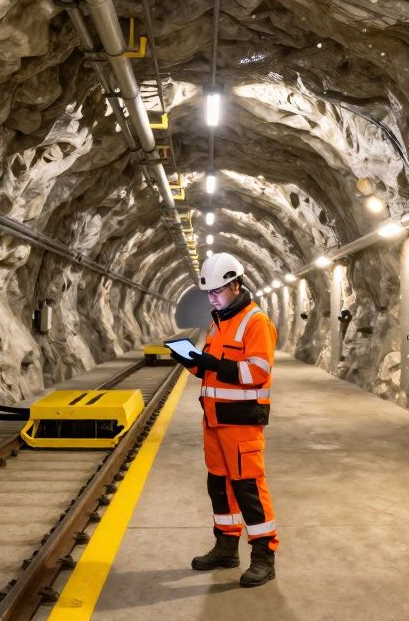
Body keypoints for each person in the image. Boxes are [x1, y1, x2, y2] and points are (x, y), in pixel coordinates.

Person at [170, 252, 279, 588]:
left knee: (249, 488)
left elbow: (258, 372)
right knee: (218, 486)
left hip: (241, 423)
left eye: (217, 291)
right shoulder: (218, 322)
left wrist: (215, 365)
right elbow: (210, 371)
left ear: (235, 285)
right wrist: (191, 360)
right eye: (208, 293)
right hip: (214, 422)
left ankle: (264, 557)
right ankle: (226, 547)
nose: (212, 299)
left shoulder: (255, 322)